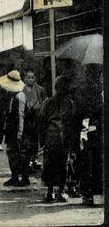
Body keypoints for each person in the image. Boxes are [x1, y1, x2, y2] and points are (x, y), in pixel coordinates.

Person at [38, 75, 74, 203]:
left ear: (56, 87)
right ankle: (61, 192)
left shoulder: (48, 102)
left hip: (51, 137)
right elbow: (72, 122)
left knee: (50, 164)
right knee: (63, 164)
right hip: (64, 137)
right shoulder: (69, 103)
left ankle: (50, 191)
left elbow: (41, 121)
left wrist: (42, 140)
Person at [73, 65, 103, 206]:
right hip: (98, 131)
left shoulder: (81, 90)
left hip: (86, 131)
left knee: (86, 162)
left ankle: (88, 195)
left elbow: (79, 113)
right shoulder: (99, 90)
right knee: (97, 163)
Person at [0, 70, 30, 187]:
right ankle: (16, 177)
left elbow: (21, 116)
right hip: (13, 130)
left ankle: (20, 177)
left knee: (17, 154)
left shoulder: (19, 97)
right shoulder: (14, 96)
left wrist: (20, 134)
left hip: (18, 131)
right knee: (15, 154)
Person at [22, 69, 47, 171]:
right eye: (29, 77)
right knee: (26, 141)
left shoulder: (40, 90)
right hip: (25, 119)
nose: (31, 79)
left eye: (33, 77)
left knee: (35, 141)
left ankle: (34, 159)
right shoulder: (21, 89)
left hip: (37, 118)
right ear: (25, 78)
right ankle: (26, 162)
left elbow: (45, 101)